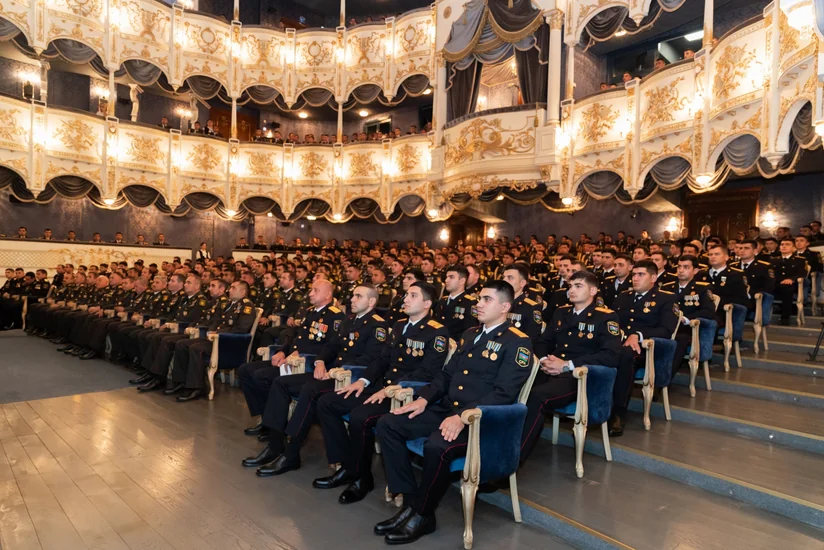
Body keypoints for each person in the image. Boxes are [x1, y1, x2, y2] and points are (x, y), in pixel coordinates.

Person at [373, 280, 533, 544]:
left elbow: (504, 393)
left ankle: (422, 515)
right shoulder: (470, 334)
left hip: (480, 421)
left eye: (486, 300)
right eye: (479, 298)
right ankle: (413, 504)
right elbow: (447, 376)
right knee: (389, 423)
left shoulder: (518, 343)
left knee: (437, 446)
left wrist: (463, 416)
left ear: (505, 307)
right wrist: (424, 399)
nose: (478, 304)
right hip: (447, 409)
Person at [312, 282, 448, 503]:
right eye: (406, 294)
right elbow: (382, 359)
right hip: (382, 388)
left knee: (360, 417)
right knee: (328, 402)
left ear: (427, 304)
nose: (405, 298)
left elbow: (427, 371)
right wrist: (363, 381)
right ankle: (346, 465)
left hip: (403, 395)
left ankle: (361, 478)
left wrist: (389, 389)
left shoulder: (436, 331)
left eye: (413, 295)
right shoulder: (398, 325)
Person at [239, 280, 345, 474]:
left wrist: (302, 357)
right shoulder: (308, 312)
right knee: (246, 370)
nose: (310, 293)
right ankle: (268, 421)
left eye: (315, 290)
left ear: (328, 295)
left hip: (307, 366)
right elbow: (295, 337)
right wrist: (282, 350)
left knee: (266, 377)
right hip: (292, 360)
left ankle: (275, 437)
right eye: (311, 290)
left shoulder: (335, 317)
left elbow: (332, 347)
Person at [519, 270, 620, 464]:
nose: (571, 290)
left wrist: (566, 365)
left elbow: (611, 356)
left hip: (578, 377)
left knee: (537, 397)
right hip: (549, 369)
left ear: (593, 291)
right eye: (570, 286)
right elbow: (542, 341)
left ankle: (513, 459)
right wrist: (544, 360)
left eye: (578, 286)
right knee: (513, 386)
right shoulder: (561, 312)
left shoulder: (606, 317)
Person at [609, 260, 678, 436]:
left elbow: (666, 329)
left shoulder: (665, 298)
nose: (635, 279)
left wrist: (638, 335)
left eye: (641, 275)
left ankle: (618, 412)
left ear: (653, 278)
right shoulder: (623, 296)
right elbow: (613, 322)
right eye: (634, 275)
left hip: (648, 349)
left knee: (625, 356)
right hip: (620, 343)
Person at [170, 280, 257, 401]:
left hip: (228, 344)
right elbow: (217, 322)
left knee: (196, 349)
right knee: (182, 344)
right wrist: (211, 331)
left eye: (233, 288)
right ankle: (181, 382)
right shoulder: (230, 304)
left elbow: (241, 329)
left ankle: (197, 388)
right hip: (216, 339)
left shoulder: (247, 306)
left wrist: (218, 333)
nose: (229, 290)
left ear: (242, 292)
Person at [662, 256, 716, 378]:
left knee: (679, 340)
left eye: (686, 267)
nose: (681, 270)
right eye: (679, 267)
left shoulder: (702, 288)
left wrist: (686, 319)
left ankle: (664, 380)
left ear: (695, 270)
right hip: (666, 326)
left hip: (687, 329)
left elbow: (709, 312)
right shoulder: (667, 287)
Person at [432, 265, 478, 339]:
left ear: (462, 281)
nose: (446, 280)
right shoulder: (442, 301)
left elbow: (471, 330)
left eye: (451, 277)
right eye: (447, 277)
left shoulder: (470, 303)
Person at [772, 238, 807, 325]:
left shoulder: (799, 260)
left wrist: (791, 279)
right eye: (782, 244)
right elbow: (770, 273)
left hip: (791, 285)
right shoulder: (773, 260)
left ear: (793, 248)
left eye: (787, 244)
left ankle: (785, 317)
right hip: (776, 284)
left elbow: (802, 273)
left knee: (787, 288)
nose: (784, 246)